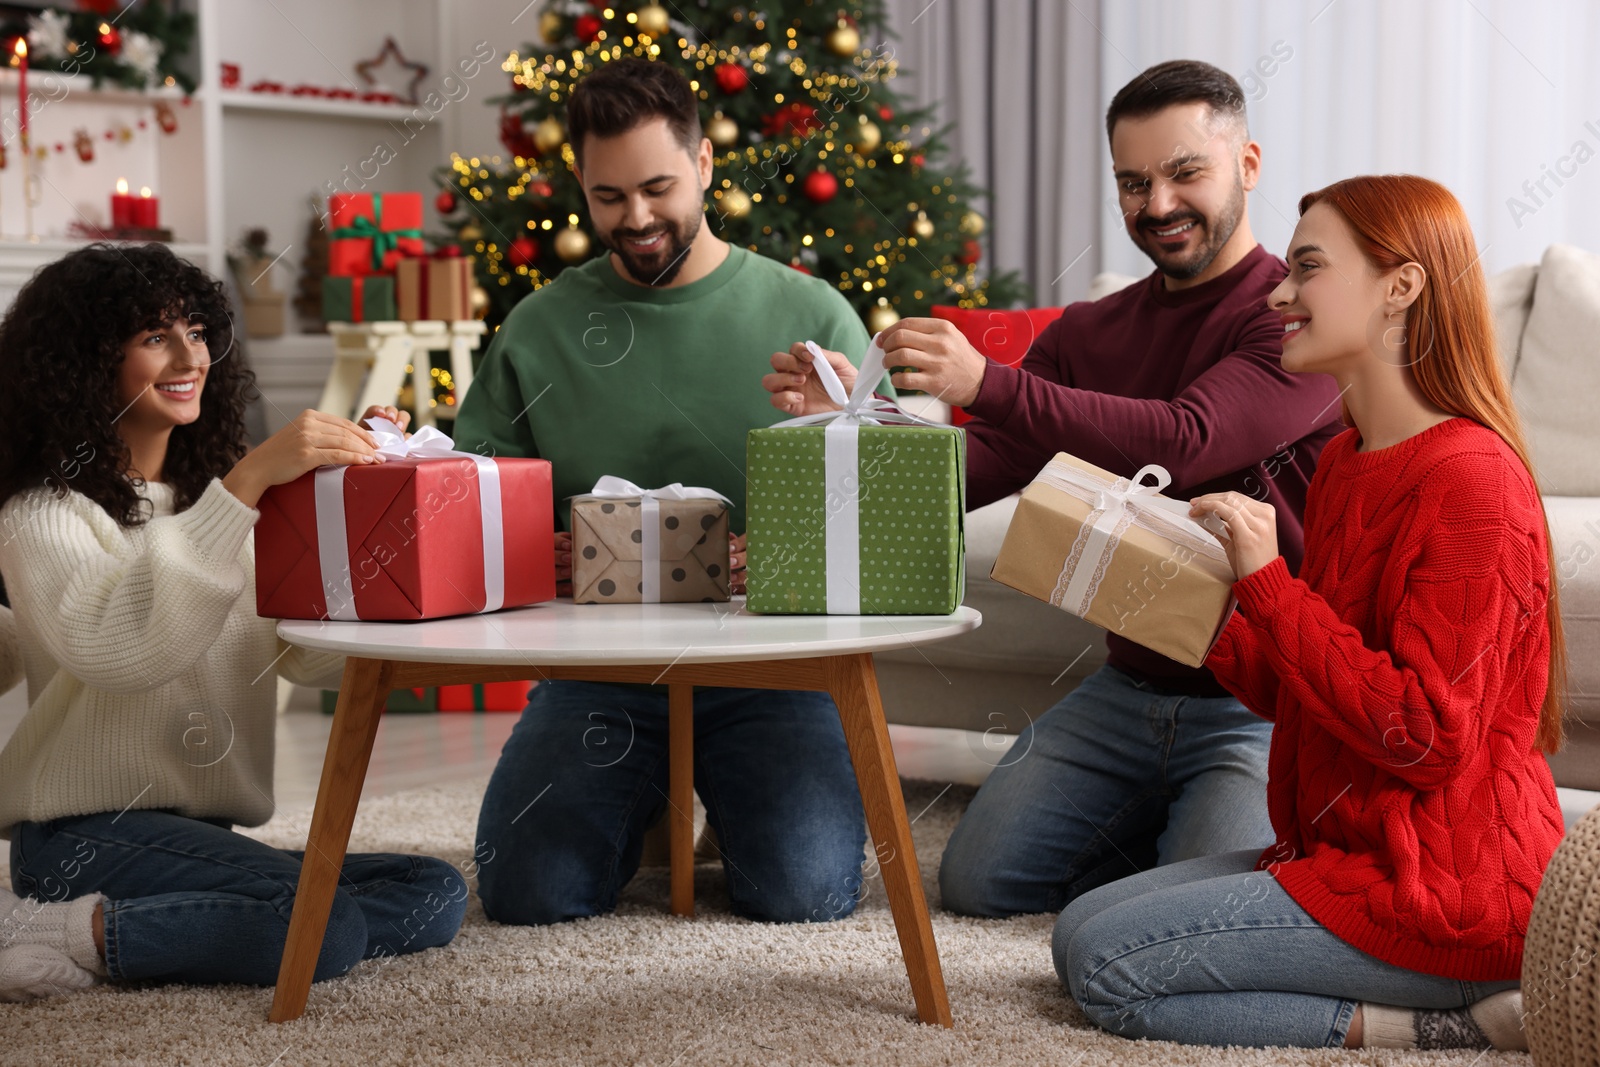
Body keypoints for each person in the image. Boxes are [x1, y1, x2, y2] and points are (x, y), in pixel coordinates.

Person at [765, 60, 1344, 914]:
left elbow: (1190, 439)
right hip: (1128, 687)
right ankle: (1155, 824)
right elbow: (982, 466)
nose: (1158, 206)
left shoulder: (1294, 316)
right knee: (979, 882)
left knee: (1190, 911)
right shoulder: (1089, 332)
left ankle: (1178, 837)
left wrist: (989, 381)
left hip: (1258, 699)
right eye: (1133, 183)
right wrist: (857, 422)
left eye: (1186, 173)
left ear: (1247, 165)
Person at [1053, 174, 1565, 1051]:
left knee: (1107, 962)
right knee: (1077, 929)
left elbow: (1427, 735)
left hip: (1449, 894)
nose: (1280, 294)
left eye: (1308, 269)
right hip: (1345, 854)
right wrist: (1201, 604)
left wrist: (1272, 584)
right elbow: (1314, 692)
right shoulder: (1346, 464)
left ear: (1400, 286)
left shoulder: (1473, 481)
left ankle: (1445, 1023)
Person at [452, 57, 879, 926]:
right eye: (609, 197)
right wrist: (543, 552)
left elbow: (882, 513)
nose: (637, 219)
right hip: (599, 669)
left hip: (773, 665)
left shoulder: (813, 314)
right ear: (580, 181)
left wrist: (838, 441)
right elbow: (471, 501)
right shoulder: (539, 329)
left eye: (658, 188)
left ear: (706, 167)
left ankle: (710, 800)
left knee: (809, 891)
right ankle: (644, 801)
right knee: (528, 892)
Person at [0, 243, 466, 1002]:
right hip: (82, 836)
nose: (191, 355)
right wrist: (247, 484)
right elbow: (126, 649)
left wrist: (351, 504)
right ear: (85, 361)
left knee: (434, 889)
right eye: (155, 337)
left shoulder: (218, 509)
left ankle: (136, 923)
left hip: (198, 836)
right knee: (329, 929)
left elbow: (307, 656)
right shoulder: (44, 514)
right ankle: (55, 930)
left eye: (196, 329)